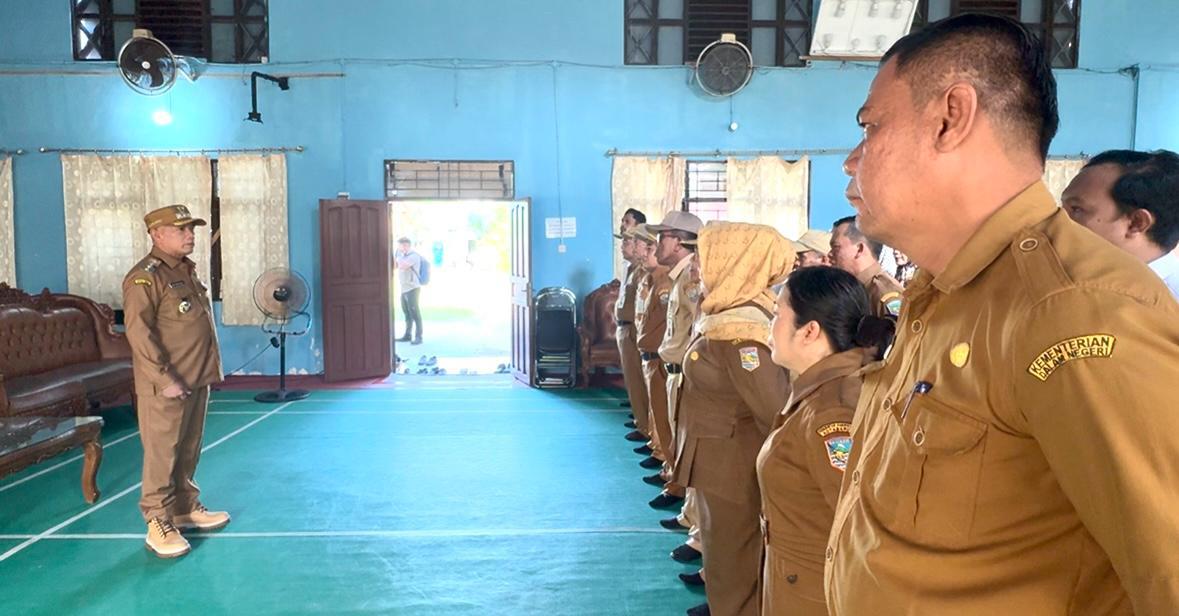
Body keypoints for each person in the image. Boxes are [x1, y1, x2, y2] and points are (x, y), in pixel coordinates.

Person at [827, 13, 1179, 615]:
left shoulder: (1072, 309)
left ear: (951, 118)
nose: (851, 160)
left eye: (871, 126)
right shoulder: (945, 289)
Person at [673, 222, 795, 616]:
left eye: (706, 256)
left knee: (734, 557)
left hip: (734, 467)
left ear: (736, 261)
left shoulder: (743, 332)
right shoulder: (726, 314)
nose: (697, 265)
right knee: (725, 556)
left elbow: (774, 411)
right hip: (720, 462)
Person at [759, 266, 895, 616]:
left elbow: (862, 528)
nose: (769, 326)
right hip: (799, 580)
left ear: (809, 331)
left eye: (777, 314)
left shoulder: (831, 414)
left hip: (813, 595)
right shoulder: (822, 390)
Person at [122, 204, 228, 559]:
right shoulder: (144, 278)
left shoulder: (184, 270)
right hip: (166, 384)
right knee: (162, 453)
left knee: (188, 447)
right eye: (181, 229)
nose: (189, 235)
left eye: (191, 229)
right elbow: (139, 334)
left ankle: (184, 508)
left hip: (194, 377)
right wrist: (164, 378)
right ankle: (157, 521)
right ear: (156, 234)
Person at [648, 210, 705, 569]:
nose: (657, 244)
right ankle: (690, 516)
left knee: (693, 452)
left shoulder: (690, 279)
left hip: (687, 375)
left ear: (680, 241)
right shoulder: (680, 276)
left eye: (662, 236)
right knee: (681, 446)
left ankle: (699, 531)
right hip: (675, 371)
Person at [1062, 149, 1179, 299]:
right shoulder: (1083, 278)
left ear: (1136, 223)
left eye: (1076, 209)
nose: (1058, 219)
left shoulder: (1168, 304)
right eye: (1062, 207)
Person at [631, 224, 676, 486]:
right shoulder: (651, 278)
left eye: (651, 248)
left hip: (661, 358)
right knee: (658, 412)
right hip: (650, 353)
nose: (649, 253)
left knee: (666, 420)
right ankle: (662, 458)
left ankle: (670, 472)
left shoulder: (665, 283)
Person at [615, 224, 652, 443]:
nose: (625, 246)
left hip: (634, 330)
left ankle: (647, 428)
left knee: (639, 381)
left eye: (630, 242)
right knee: (633, 380)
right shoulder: (631, 270)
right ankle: (642, 422)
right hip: (625, 328)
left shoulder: (644, 272)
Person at [829, 215, 903, 317]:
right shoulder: (853, 288)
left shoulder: (883, 293)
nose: (829, 254)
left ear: (859, 249)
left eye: (836, 247)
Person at [395, 237, 424, 345]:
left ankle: (419, 336)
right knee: (407, 313)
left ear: (406, 245)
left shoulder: (414, 256)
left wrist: (398, 256)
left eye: (400, 246)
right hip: (404, 289)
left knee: (415, 313)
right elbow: (395, 266)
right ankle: (407, 335)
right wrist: (398, 256)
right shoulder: (402, 256)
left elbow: (402, 265)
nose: (398, 248)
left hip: (413, 288)